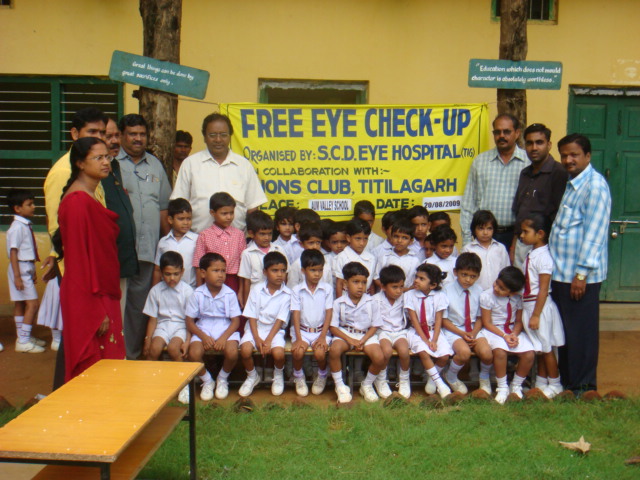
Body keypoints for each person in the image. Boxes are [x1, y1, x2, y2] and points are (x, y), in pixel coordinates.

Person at [56, 137, 125, 381]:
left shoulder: (90, 195)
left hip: (102, 290)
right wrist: (95, 310)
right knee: (93, 370)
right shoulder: (77, 202)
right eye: (98, 158)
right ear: (80, 163)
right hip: (88, 296)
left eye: (107, 157)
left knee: (109, 365)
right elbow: (78, 262)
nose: (106, 162)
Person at [549, 133, 611, 395]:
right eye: (564, 155)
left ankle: (584, 388)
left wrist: (581, 275)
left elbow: (594, 235)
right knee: (566, 332)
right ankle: (568, 384)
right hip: (562, 273)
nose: (568, 160)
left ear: (587, 155)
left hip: (579, 276)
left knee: (581, 334)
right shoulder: (572, 182)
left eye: (574, 154)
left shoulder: (595, 187)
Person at [117, 113, 171, 360]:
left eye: (142, 134)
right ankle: (116, 355)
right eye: (132, 134)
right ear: (121, 136)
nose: (138, 139)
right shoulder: (112, 164)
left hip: (148, 248)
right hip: (120, 249)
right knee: (118, 303)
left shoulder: (155, 165)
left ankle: (132, 355)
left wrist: (169, 243)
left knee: (139, 305)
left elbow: (163, 207)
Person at [171, 113, 267, 232]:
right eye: (212, 135)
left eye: (223, 135)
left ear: (230, 136)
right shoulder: (190, 164)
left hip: (236, 240)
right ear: (204, 137)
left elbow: (253, 208)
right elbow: (179, 205)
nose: (218, 139)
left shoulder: (244, 166)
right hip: (197, 238)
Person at [460, 113, 529, 249]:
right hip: (485, 236)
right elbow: (469, 204)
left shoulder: (528, 162)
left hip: (518, 237)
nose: (501, 136)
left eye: (506, 132)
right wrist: (467, 242)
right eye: (497, 132)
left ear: (517, 133)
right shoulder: (480, 162)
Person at [519, 214, 565, 399]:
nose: (521, 235)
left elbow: (543, 289)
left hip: (539, 307)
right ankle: (540, 382)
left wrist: (536, 315)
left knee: (547, 348)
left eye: (525, 232)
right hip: (530, 305)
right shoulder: (532, 253)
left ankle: (555, 384)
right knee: (540, 347)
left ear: (540, 234)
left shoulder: (544, 257)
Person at [185, 253, 241, 402]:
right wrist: (203, 336)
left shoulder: (229, 293)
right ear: (203, 273)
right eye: (216, 271)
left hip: (225, 328)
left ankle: (222, 378)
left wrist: (223, 338)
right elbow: (189, 321)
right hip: (203, 328)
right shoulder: (197, 294)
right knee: (194, 353)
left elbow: (235, 321)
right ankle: (207, 380)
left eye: (223, 271)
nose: (221, 275)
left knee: (232, 352)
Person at [511, 123, 568, 269]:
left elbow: (559, 215)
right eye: (529, 143)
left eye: (539, 142)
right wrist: (514, 245)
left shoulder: (559, 172)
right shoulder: (525, 173)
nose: (534, 148)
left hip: (545, 247)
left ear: (549, 145)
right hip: (522, 244)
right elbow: (520, 211)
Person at [328, 262, 385, 403]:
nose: (360, 286)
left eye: (364, 282)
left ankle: (366, 385)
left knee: (379, 357)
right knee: (334, 350)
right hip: (346, 334)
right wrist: (351, 340)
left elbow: (375, 326)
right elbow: (333, 327)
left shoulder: (372, 302)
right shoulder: (338, 303)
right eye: (355, 282)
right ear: (345, 284)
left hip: (366, 335)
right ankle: (340, 385)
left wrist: (362, 340)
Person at [478, 266, 535, 404]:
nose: (496, 288)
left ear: (513, 292)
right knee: (500, 352)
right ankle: (502, 387)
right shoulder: (487, 296)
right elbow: (487, 322)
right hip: (493, 331)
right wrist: (504, 336)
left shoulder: (518, 298)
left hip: (512, 330)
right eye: (497, 283)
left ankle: (516, 385)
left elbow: (518, 321)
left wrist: (514, 334)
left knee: (529, 354)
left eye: (502, 288)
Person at [238, 252, 292, 397]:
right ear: (265, 272)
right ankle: (252, 376)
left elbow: (280, 320)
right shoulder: (256, 289)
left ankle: (278, 375)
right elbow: (252, 316)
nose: (279, 274)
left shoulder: (287, 293)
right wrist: (257, 338)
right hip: (255, 328)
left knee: (278, 354)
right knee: (245, 351)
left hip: (275, 331)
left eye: (283, 271)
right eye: (275, 270)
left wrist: (268, 341)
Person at [442, 253, 494, 395]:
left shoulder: (479, 291)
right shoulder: (446, 290)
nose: (468, 280)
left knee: (487, 354)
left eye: (473, 276)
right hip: (454, 330)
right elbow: (444, 320)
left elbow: (480, 317)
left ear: (478, 276)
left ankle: (484, 378)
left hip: (473, 329)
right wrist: (462, 334)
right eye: (464, 275)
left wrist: (473, 333)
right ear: (455, 272)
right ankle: (451, 376)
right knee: (464, 353)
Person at [102, 117, 138, 318]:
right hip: (105, 261)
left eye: (117, 135)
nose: (115, 141)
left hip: (121, 257)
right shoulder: (92, 173)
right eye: (109, 136)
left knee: (118, 316)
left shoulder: (114, 167)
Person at [403, 263, 453, 398]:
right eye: (416, 277)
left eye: (421, 279)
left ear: (433, 285)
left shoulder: (440, 296)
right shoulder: (409, 295)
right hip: (417, 332)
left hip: (434, 331)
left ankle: (432, 379)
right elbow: (414, 320)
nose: (416, 280)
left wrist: (434, 340)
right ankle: (440, 384)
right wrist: (426, 341)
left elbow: (439, 320)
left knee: (444, 355)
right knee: (424, 352)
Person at [290, 249, 334, 396]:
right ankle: (298, 376)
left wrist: (322, 336)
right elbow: (295, 314)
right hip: (302, 330)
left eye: (320, 270)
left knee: (320, 353)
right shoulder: (297, 290)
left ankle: (322, 375)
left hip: (320, 331)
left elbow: (329, 312)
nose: (317, 274)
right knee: (298, 352)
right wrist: (298, 338)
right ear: (303, 270)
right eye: (313, 270)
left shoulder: (327, 289)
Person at [6, 189, 44, 353]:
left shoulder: (24, 225)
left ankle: (23, 336)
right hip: (19, 268)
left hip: (24, 266)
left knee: (21, 302)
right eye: (29, 204)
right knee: (33, 304)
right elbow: (13, 252)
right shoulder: (17, 228)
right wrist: (17, 276)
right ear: (17, 208)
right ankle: (23, 340)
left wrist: (32, 270)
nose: (33, 207)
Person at [142, 251, 193, 364]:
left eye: (176, 274)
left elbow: (190, 320)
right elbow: (153, 319)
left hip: (181, 327)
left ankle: (182, 375)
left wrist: (188, 341)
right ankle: (150, 375)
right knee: (154, 349)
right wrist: (148, 340)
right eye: (167, 274)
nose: (172, 278)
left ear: (182, 272)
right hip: (162, 326)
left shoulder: (187, 291)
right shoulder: (155, 290)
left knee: (173, 349)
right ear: (161, 273)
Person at [192, 192, 246, 297]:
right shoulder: (204, 235)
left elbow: (242, 265)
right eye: (224, 213)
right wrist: (199, 291)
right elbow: (198, 265)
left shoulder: (239, 235)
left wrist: (241, 291)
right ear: (212, 212)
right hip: (210, 281)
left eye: (231, 213)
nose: (229, 217)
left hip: (233, 281)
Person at [375, 265, 412, 399]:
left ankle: (404, 380)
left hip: (399, 331)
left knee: (404, 351)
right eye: (394, 287)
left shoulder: (405, 298)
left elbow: (409, 315)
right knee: (386, 351)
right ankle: (381, 379)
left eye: (401, 287)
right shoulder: (375, 299)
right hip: (382, 331)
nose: (399, 291)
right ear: (383, 286)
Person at [239, 210, 286, 306]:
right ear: (251, 233)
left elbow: (286, 275)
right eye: (262, 234)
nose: (267, 237)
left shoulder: (279, 249)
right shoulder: (247, 253)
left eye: (269, 233)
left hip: (277, 298)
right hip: (256, 299)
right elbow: (246, 281)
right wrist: (247, 305)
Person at [153, 198, 198, 288]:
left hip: (190, 289)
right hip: (167, 289)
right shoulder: (163, 242)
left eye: (188, 219)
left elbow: (199, 268)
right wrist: (154, 290)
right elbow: (157, 269)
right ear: (170, 220)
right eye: (181, 219)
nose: (186, 222)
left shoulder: (197, 240)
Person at [461, 210, 510, 291]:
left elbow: (506, 271)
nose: (485, 232)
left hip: (496, 292)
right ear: (474, 229)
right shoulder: (468, 249)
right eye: (481, 228)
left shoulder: (500, 248)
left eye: (489, 228)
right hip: (475, 292)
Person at [333, 218, 377, 295]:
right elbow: (339, 283)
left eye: (365, 239)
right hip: (347, 298)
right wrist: (340, 301)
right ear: (348, 238)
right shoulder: (341, 257)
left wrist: (372, 299)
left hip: (365, 298)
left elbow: (371, 284)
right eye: (358, 238)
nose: (362, 243)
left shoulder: (371, 258)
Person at [374, 218, 420, 290]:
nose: (399, 240)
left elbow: (417, 280)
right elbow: (376, 278)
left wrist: (406, 290)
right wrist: (389, 289)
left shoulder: (415, 259)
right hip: (386, 294)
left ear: (411, 241)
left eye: (404, 238)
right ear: (391, 237)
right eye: (396, 236)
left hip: (407, 294)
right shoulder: (385, 257)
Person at [286, 222, 332, 288]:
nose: (315, 246)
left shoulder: (326, 262)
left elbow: (329, 284)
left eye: (318, 242)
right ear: (301, 244)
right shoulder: (297, 264)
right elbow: (292, 287)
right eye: (311, 243)